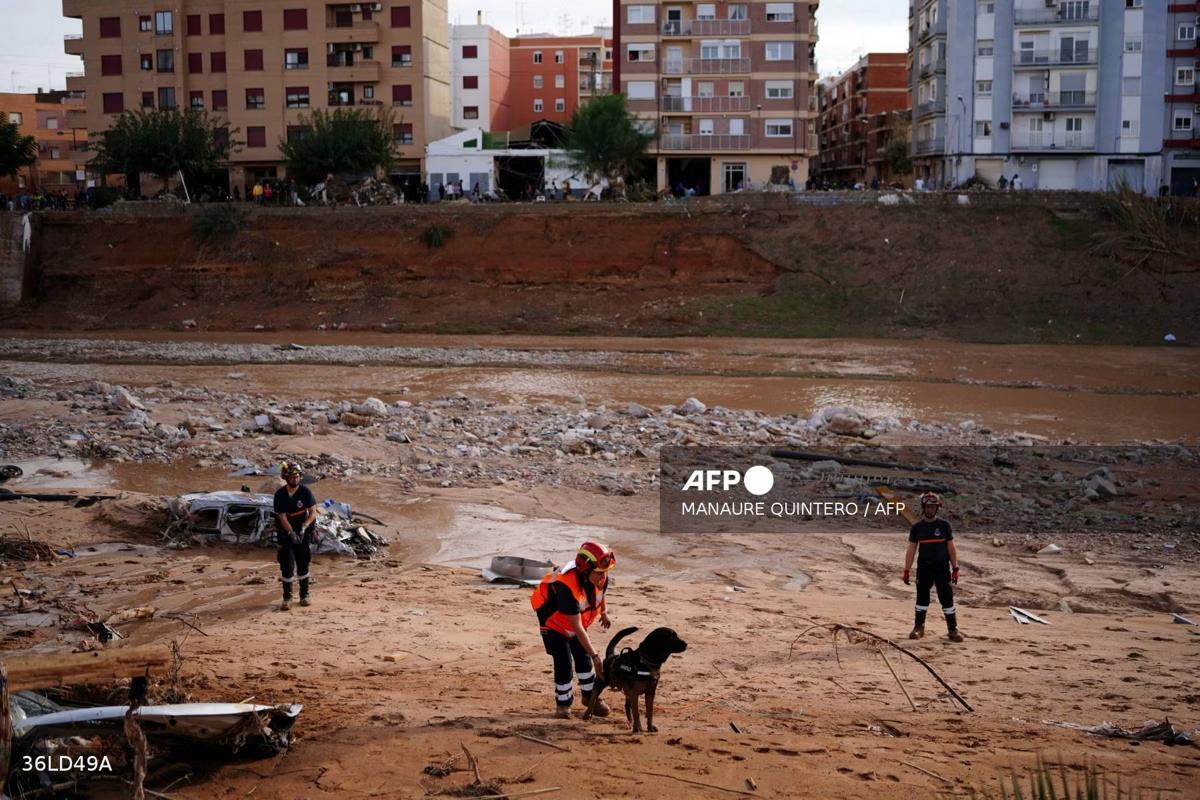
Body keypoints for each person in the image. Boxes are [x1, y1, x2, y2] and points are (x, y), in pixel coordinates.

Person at [531, 541, 616, 718]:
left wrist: (604, 612)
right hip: (553, 625)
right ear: (585, 570)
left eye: (605, 572)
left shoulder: (600, 575)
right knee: (564, 662)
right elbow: (575, 626)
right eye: (599, 573)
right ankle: (563, 706)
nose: (603, 577)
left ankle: (590, 697)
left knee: (583, 658)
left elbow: (601, 594)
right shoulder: (566, 586)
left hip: (577, 623)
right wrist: (596, 656)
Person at [903, 493, 963, 642]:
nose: (930, 509)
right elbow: (911, 549)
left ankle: (953, 630)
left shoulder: (944, 526)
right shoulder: (917, 528)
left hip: (942, 568)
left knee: (947, 599)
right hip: (924, 568)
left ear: (937, 508)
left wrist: (955, 568)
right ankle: (918, 628)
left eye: (933, 506)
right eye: (927, 506)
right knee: (922, 599)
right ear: (923, 508)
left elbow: (951, 548)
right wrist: (906, 570)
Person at [273, 462, 316, 610]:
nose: (296, 480)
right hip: (286, 535)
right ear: (286, 478)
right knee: (287, 566)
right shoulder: (280, 495)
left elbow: (312, 512)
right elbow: (282, 517)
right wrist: (291, 533)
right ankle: (287, 597)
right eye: (292, 477)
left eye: (297, 477)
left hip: (303, 532)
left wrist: (304, 527)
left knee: (303, 564)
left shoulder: (305, 492)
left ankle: (304, 595)